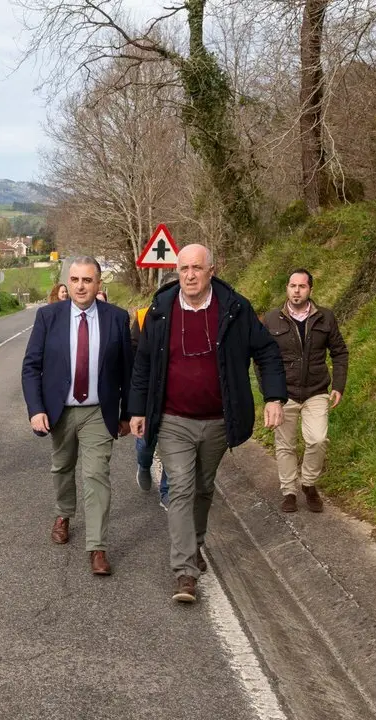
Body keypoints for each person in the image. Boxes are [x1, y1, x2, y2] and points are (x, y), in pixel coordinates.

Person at [129, 244, 287, 603]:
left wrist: (274, 397)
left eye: (197, 268)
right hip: (173, 419)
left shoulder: (235, 308)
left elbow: (266, 351)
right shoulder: (161, 310)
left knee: (202, 487)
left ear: (212, 270)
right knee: (181, 487)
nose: (189, 275)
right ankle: (185, 572)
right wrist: (137, 410)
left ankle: (195, 542)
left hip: (218, 420)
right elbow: (143, 363)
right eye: (183, 268)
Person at [22, 256, 133, 576]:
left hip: (99, 411)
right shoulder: (48, 317)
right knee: (62, 466)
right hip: (60, 410)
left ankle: (97, 546)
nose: (81, 286)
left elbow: (128, 370)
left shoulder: (116, 318)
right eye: (75, 280)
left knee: (96, 475)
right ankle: (63, 513)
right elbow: (31, 367)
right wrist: (36, 409)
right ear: (66, 284)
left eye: (87, 280)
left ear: (99, 284)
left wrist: (129, 413)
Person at [262, 269, 349, 513]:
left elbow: (340, 352)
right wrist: (270, 396)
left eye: (302, 286)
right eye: (292, 286)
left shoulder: (325, 318)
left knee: (318, 439)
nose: (296, 290)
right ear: (287, 288)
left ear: (310, 289)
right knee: (285, 444)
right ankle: (289, 490)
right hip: (283, 392)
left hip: (317, 390)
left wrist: (338, 386)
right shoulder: (272, 319)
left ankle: (309, 483)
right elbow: (262, 359)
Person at [130, 271, 178, 509]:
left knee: (173, 445)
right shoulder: (143, 317)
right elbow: (135, 359)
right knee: (146, 444)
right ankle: (144, 463)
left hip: (176, 398)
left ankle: (167, 490)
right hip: (150, 395)